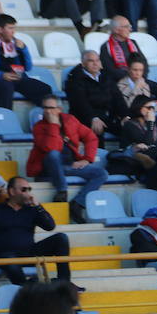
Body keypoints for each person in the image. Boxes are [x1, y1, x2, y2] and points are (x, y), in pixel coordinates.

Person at [0, 177, 75, 285]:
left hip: (29, 253)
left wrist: (38, 207)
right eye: (24, 190)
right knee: (10, 259)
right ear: (12, 191)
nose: (28, 193)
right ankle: (28, 287)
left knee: (61, 238)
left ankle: (64, 282)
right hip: (5, 256)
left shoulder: (32, 209)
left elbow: (50, 226)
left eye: (29, 190)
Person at [27, 95, 107, 224]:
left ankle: (77, 204)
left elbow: (90, 137)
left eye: (51, 108)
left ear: (59, 109)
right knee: (53, 154)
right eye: (45, 108)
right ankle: (62, 190)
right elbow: (52, 148)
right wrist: (53, 125)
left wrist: (87, 159)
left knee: (101, 174)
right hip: (48, 169)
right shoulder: (39, 127)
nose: (47, 111)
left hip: (68, 166)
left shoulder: (70, 120)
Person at [0, 14, 51, 110]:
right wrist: (1, 75)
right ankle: (7, 119)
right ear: (0, 29)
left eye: (14, 28)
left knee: (45, 89)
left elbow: (28, 67)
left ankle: (42, 119)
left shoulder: (15, 44)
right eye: (10, 28)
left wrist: (24, 49)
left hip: (15, 78)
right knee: (6, 87)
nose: (13, 32)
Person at [65, 50, 115, 140]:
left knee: (129, 126)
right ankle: (98, 154)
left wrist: (125, 116)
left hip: (106, 116)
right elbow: (80, 103)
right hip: (85, 117)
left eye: (97, 60)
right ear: (83, 64)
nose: (95, 64)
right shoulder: (75, 79)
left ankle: (127, 152)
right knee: (97, 128)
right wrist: (93, 118)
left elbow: (118, 98)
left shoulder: (106, 76)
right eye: (91, 61)